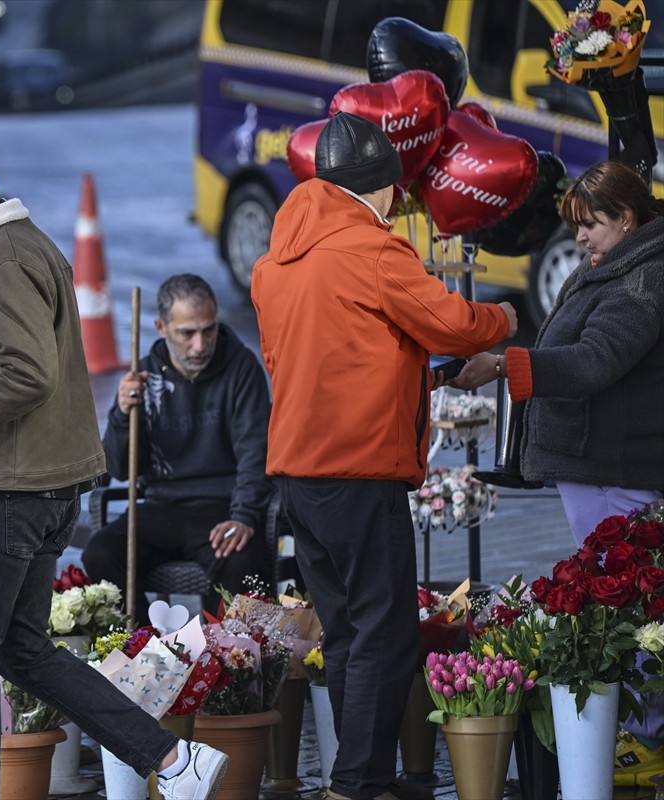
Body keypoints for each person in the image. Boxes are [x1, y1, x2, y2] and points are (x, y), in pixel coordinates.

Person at [0, 122, 230, 799]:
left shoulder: (0, 258)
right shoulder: (0, 250)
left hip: (1, 496)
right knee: (20, 650)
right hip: (29, 490)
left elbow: (26, 375)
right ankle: (175, 762)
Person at [252, 111, 517, 800]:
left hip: (297, 471)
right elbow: (452, 322)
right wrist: (508, 319)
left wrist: (415, 373)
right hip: (358, 469)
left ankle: (356, 774)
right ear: (386, 190)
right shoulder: (371, 249)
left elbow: (329, 355)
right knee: (386, 631)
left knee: (343, 631)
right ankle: (356, 783)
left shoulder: (274, 262)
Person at [451, 159, 664, 787]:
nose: (579, 238)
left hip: (613, 466)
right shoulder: (622, 264)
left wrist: (506, 367)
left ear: (627, 219)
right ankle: (640, 731)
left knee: (631, 605)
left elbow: (596, 361)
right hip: (598, 465)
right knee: (625, 600)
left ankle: (648, 737)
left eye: (590, 225)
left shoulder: (644, 278)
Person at [82, 273, 274, 617]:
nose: (200, 345)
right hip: (161, 507)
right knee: (100, 553)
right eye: (187, 333)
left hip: (223, 506)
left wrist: (243, 516)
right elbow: (119, 469)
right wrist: (124, 415)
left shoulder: (242, 368)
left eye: (209, 330)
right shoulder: (143, 377)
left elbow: (255, 452)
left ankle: (228, 662)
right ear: (161, 327)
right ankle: (148, 649)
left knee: (243, 560)